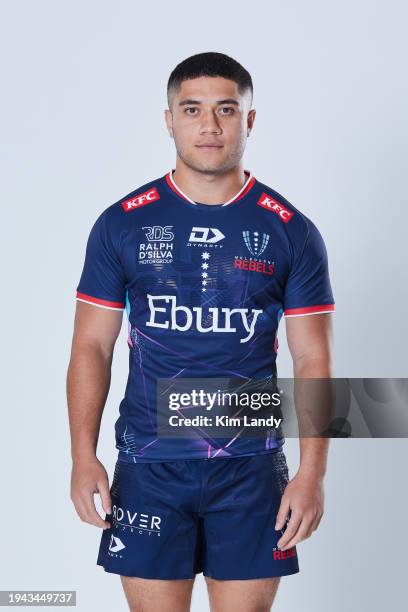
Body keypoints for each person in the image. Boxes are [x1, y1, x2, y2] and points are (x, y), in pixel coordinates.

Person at [67, 51, 335, 612]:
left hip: (251, 469)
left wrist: (312, 474)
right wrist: (82, 456)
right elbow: (92, 344)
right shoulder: (123, 223)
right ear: (169, 119)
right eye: (192, 110)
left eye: (226, 110)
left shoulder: (291, 230)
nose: (209, 125)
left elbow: (312, 360)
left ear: (249, 119)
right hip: (149, 467)